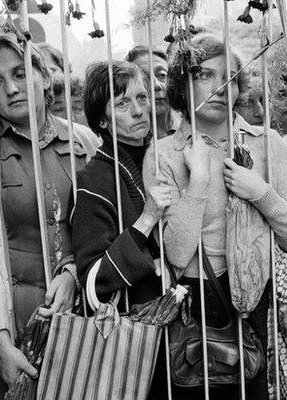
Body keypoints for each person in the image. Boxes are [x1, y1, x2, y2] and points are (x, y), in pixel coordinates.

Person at [144, 34, 287, 399]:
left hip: (261, 308)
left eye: (231, 77)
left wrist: (261, 193)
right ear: (181, 84)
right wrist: (199, 180)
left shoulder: (267, 144)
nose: (221, 87)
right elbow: (177, 254)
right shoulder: (165, 154)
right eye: (206, 74)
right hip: (195, 312)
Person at [0, 33, 100, 398]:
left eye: (20, 73)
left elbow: (102, 229)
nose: (10, 88)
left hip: (80, 322)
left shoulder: (85, 141)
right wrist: (1, 340)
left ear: (43, 76)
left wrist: (74, 272)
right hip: (4, 330)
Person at [71, 59, 170, 398]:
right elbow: (93, 280)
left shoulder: (165, 158)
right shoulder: (94, 179)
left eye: (142, 98)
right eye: (123, 104)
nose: (139, 111)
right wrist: (147, 220)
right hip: (129, 341)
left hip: (178, 337)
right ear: (102, 119)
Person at [126, 45, 180, 138]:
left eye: (162, 75)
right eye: (145, 78)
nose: (156, 85)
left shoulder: (192, 126)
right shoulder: (127, 140)